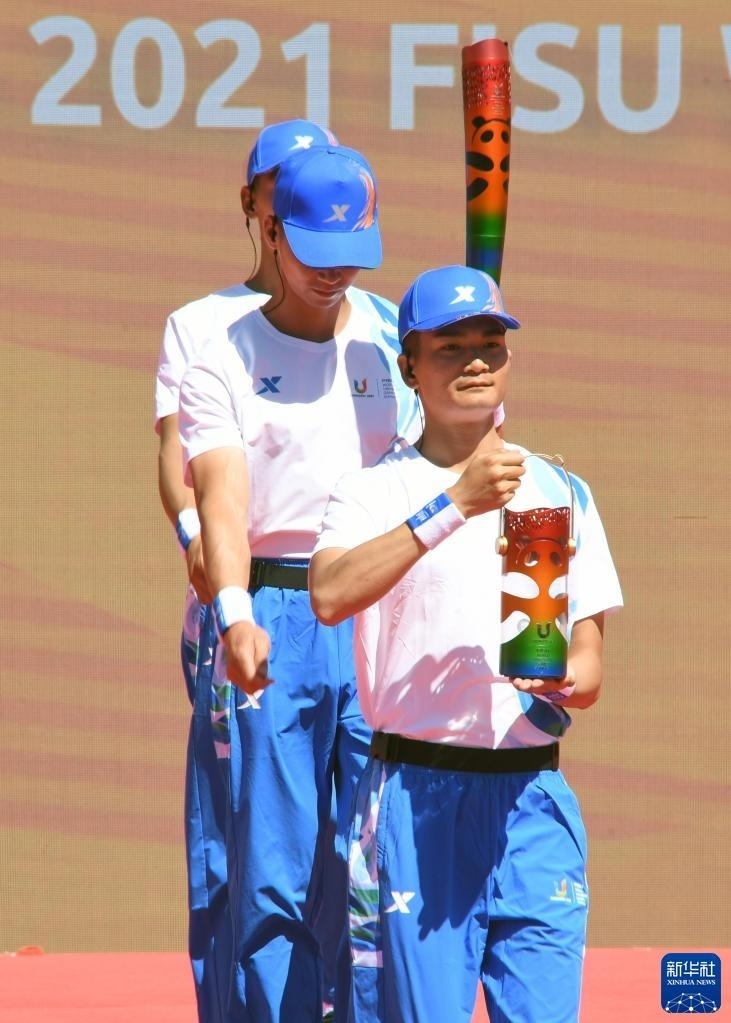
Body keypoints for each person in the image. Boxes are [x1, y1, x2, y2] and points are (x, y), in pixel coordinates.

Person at [309, 264, 623, 1023]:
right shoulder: (373, 491)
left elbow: (588, 666)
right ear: (409, 367)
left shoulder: (558, 490)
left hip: (530, 797)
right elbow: (330, 593)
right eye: (451, 347)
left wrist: (561, 680)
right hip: (416, 797)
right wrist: (455, 502)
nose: (476, 360)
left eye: (491, 343)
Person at [178, 145, 421, 1022]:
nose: (334, 273)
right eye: (316, 251)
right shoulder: (223, 358)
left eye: (351, 252)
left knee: (376, 864)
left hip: (380, 613)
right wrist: (233, 612)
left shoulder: (397, 341)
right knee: (273, 870)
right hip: (276, 612)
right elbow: (221, 500)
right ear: (273, 232)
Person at [154, 119, 340, 1023]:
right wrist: (202, 542)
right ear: (255, 205)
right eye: (285, 186)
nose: (303, 200)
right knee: (244, 848)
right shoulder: (202, 325)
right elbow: (178, 459)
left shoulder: (377, 325)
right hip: (253, 601)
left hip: (354, 606)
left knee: (347, 852)